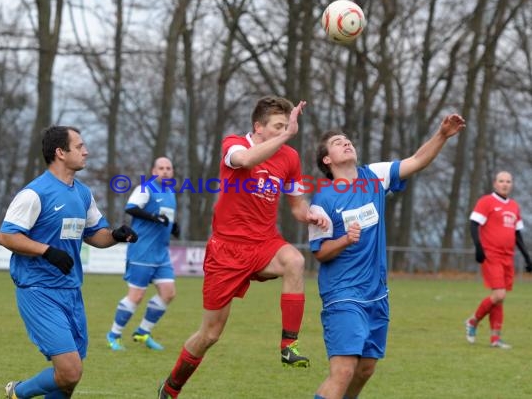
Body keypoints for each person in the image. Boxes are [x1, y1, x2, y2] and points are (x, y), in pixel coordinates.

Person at [157, 95, 328, 399]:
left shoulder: (289, 158)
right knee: (209, 334)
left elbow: (297, 205)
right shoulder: (234, 144)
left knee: (295, 261)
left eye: (287, 125)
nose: (285, 129)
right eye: (278, 125)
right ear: (258, 127)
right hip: (226, 250)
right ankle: (172, 387)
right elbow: (246, 160)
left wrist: (310, 215)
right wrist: (288, 134)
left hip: (264, 243)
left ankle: (289, 345)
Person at [308, 114, 465, 399]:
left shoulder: (374, 176)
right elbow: (320, 253)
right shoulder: (323, 200)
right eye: (336, 143)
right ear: (327, 161)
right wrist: (344, 240)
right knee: (343, 371)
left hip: (376, 294)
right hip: (342, 293)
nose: (346, 143)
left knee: (365, 370)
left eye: (347, 140)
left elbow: (416, 160)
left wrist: (442, 135)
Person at [0, 126, 138, 399]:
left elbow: (95, 234)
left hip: (71, 290)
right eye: (79, 146)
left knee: (68, 380)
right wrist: (46, 251)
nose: (86, 151)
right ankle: (17, 393)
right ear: (60, 153)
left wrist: (116, 236)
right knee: (70, 371)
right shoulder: (34, 193)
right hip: (38, 290)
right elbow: (6, 236)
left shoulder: (83, 194)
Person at [106, 157, 179, 351]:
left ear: (172, 171)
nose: (165, 171)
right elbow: (131, 208)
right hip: (142, 251)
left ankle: (142, 332)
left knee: (168, 293)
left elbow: (166, 217)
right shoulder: (145, 188)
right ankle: (113, 334)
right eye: (161, 168)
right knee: (136, 296)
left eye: (168, 168)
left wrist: (173, 227)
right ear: (154, 171)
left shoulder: (170, 192)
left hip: (161, 254)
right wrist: (154, 217)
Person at [464, 171, 532, 349]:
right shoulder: (486, 201)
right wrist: (479, 247)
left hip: (507, 257)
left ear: (512, 184)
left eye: (508, 181)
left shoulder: (514, 206)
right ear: (495, 183)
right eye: (501, 181)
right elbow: (473, 223)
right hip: (491, 255)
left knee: (500, 298)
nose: (505, 184)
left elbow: (517, 234)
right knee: (499, 294)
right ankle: (473, 321)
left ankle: (495, 339)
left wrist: (527, 257)